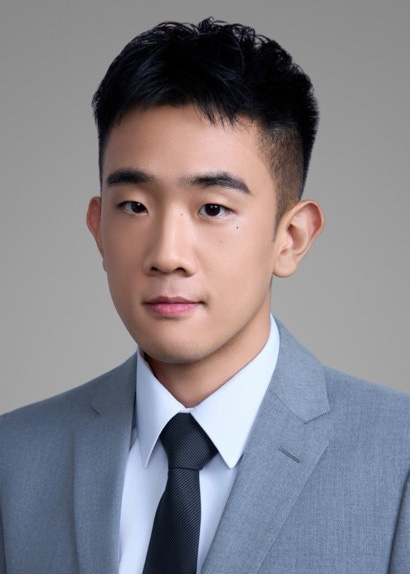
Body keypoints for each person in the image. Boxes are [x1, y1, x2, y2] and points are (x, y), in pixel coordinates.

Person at [0, 16, 409, 574]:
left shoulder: (399, 460)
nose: (167, 253)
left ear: (291, 238)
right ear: (98, 229)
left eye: (213, 208)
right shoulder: (14, 459)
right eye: (134, 206)